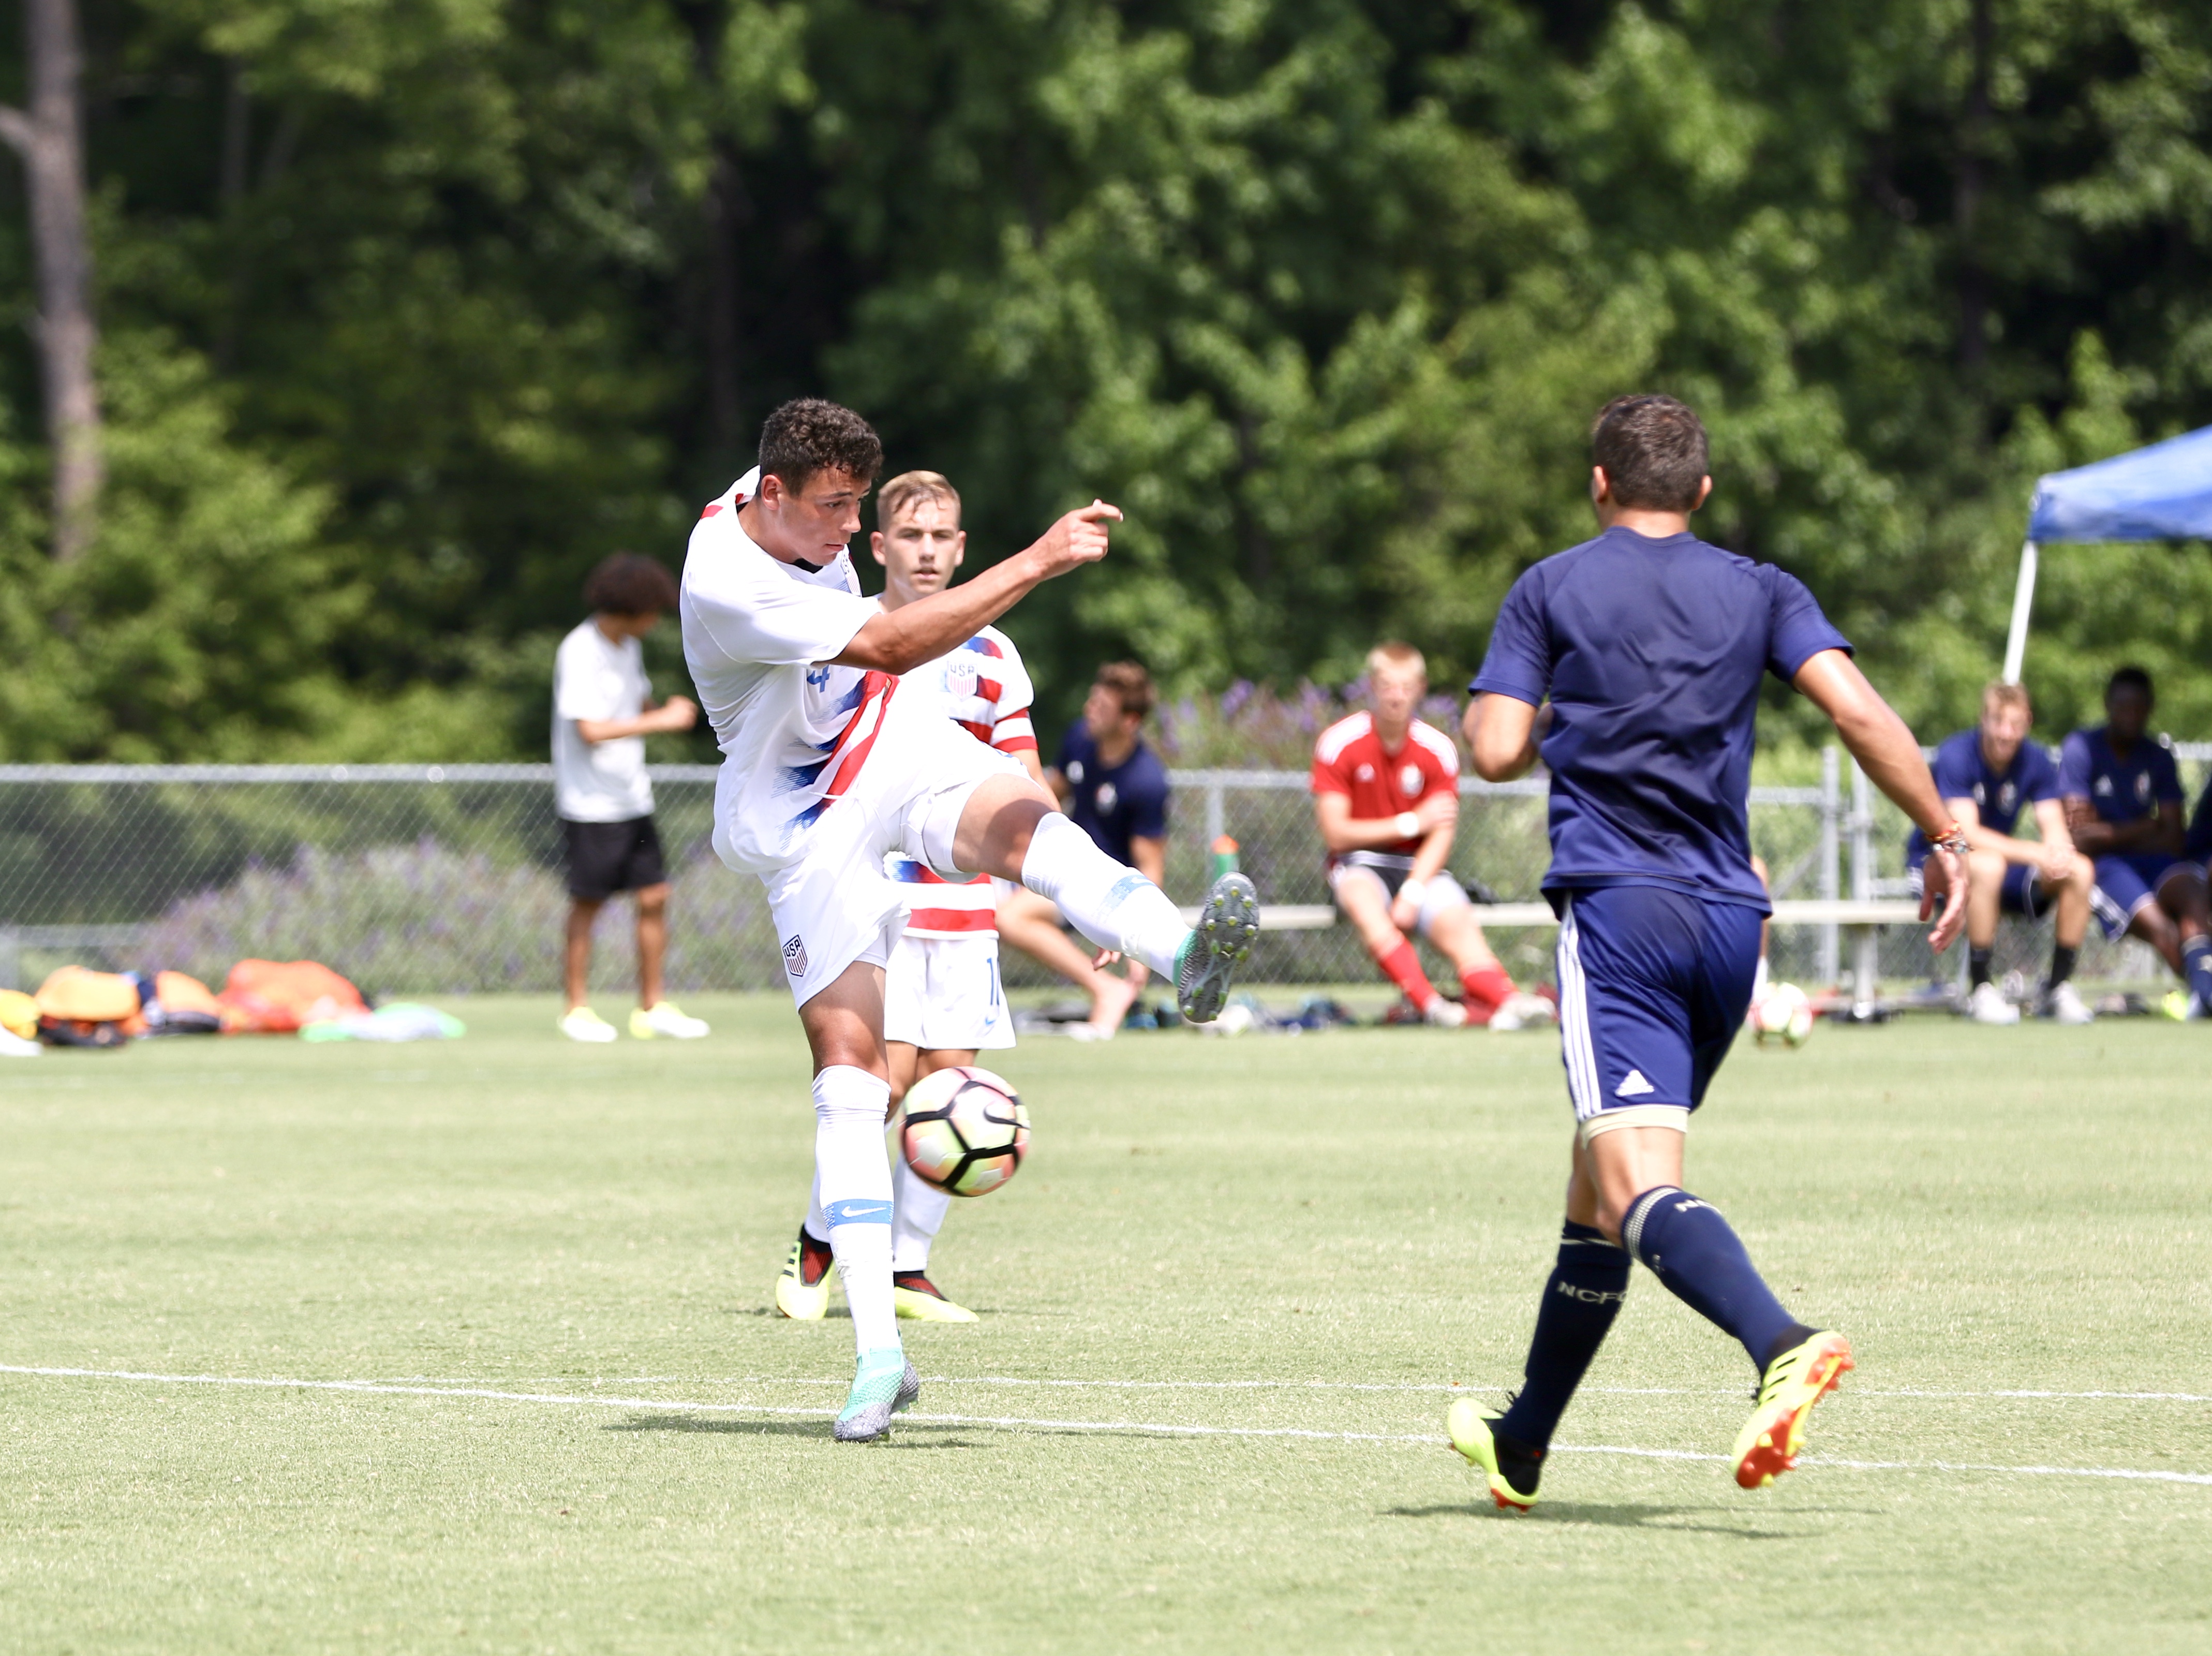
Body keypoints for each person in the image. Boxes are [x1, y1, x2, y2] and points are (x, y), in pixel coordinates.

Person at [680, 398, 1257, 1441]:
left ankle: (1183, 954)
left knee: (1023, 818)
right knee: (852, 1082)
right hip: (798, 819)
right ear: (770, 498)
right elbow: (893, 643)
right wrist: (1037, 558)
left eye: (861, 506)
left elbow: (880, 654)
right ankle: (874, 1356)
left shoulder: (777, 494)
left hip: (879, 734)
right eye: (832, 510)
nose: (848, 532)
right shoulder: (727, 580)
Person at [1452, 393, 1968, 1510]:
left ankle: (1779, 1340)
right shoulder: (1762, 589)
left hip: (1620, 914)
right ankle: (1523, 1438)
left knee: (1639, 1182)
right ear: (1700, 492)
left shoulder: (1549, 586)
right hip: (1731, 928)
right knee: (1598, 1188)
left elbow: (1493, 749)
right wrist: (1941, 833)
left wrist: (1562, 705)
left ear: (1597, 483)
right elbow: (1860, 713)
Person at [773, 469, 1047, 1326]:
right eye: (911, 537)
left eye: (943, 539)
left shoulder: (994, 654)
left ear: (962, 549)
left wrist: (1063, 877)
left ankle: (906, 1267)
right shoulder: (856, 638)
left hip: (965, 911)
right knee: (881, 1085)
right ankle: (820, 1243)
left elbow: (1027, 776)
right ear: (879, 545)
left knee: (953, 1090)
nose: (927, 553)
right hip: (876, 901)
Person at [1311, 642, 1549, 1029]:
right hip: (1359, 863)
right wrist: (1409, 823)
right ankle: (1433, 1006)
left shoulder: (1437, 749)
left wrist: (1412, 891)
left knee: (1457, 921)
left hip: (1419, 868)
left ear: (1420, 688)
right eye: (1388, 685)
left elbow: (1440, 832)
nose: (1396, 696)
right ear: (1372, 686)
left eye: (1405, 686)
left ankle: (1509, 1002)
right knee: (1360, 897)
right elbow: (1336, 834)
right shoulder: (1339, 743)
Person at [552, 554, 710, 1043]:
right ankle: (576, 1009)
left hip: (631, 797)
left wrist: (665, 710)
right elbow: (591, 730)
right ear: (632, 607)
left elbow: (635, 707)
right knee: (589, 903)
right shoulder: (580, 650)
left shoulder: (627, 648)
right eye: (652, 610)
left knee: (655, 895)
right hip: (590, 803)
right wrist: (659, 721)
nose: (656, 620)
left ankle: (651, 1006)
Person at [996, 662, 1171, 1039]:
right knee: (987, 902)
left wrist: (1140, 926)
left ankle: (1107, 990)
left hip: (1110, 886)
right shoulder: (1079, 740)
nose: (1090, 711)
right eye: (1092, 702)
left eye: (1102, 708)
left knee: (1010, 917)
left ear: (1129, 722)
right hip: (1068, 867)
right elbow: (1046, 793)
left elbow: (1149, 866)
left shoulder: (1147, 780)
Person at [1905, 683, 2097, 1025]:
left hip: (1996, 864)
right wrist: (2035, 853)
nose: (2005, 733)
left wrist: (2058, 855)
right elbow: (1964, 836)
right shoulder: (1956, 755)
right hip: (1939, 861)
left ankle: (2057, 989)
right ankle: (1980, 989)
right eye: (1997, 722)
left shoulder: (2035, 759)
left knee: (2079, 869)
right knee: (1988, 865)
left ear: (2027, 723)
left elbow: (2052, 825)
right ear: (1983, 720)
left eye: (2014, 724)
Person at [2059, 666, 2212, 1019]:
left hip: (2152, 860)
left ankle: (2203, 996)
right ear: (2108, 705)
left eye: (2138, 707)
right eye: (2123, 706)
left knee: (2192, 895)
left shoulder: (2158, 756)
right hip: (2106, 868)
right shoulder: (2081, 748)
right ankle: (2204, 993)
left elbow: (2174, 837)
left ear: (2149, 708)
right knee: (2160, 927)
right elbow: (2078, 839)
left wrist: (2109, 832)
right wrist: (2145, 827)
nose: (2130, 715)